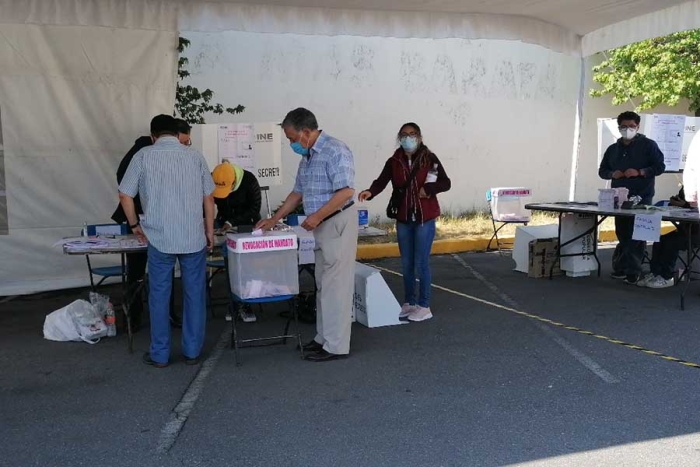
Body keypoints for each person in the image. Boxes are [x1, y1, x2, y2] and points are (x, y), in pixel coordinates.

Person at [256, 108, 357, 362]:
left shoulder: (335, 150)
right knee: (323, 284)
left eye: (291, 138)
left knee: (337, 287)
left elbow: (345, 192)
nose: (291, 144)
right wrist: (273, 219)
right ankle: (323, 338)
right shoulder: (309, 157)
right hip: (322, 225)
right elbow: (296, 193)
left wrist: (318, 215)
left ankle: (336, 345)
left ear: (307, 132)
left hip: (336, 222)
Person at [119, 114, 216, 368]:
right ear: (177, 134)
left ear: (153, 136)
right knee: (194, 294)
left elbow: (124, 194)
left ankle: (160, 353)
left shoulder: (143, 156)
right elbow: (209, 198)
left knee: (159, 295)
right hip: (193, 237)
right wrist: (209, 230)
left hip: (159, 238)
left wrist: (134, 225)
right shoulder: (195, 156)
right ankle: (192, 351)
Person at [358, 123, 451, 321]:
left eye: (412, 134)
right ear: (399, 138)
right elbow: (381, 181)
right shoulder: (394, 160)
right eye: (404, 135)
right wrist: (370, 192)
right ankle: (409, 303)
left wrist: (430, 189)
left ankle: (424, 306)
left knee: (421, 263)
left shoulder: (429, 159)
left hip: (424, 218)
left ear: (419, 137)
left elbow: (445, 182)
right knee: (407, 263)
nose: (408, 138)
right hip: (403, 218)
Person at [599, 111, 665, 284]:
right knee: (623, 233)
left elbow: (659, 166)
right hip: (618, 198)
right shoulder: (613, 149)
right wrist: (613, 173)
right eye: (624, 127)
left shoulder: (649, 145)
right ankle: (621, 268)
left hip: (642, 197)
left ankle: (634, 271)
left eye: (631, 126)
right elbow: (602, 171)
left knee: (638, 235)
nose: (627, 129)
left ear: (638, 127)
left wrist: (640, 172)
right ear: (619, 127)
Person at [212, 160, 262, 322]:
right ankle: (233, 302)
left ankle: (246, 303)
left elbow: (254, 208)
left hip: (247, 225)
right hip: (225, 225)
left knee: (247, 266)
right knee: (230, 265)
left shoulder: (249, 180)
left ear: (234, 181)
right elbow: (211, 202)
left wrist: (231, 222)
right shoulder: (215, 178)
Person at [637, 187, 700, 289]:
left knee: (672, 242)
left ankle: (667, 277)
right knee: (660, 240)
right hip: (687, 229)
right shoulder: (689, 184)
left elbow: (691, 205)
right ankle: (655, 273)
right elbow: (681, 201)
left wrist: (684, 205)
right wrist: (675, 201)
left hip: (696, 233)